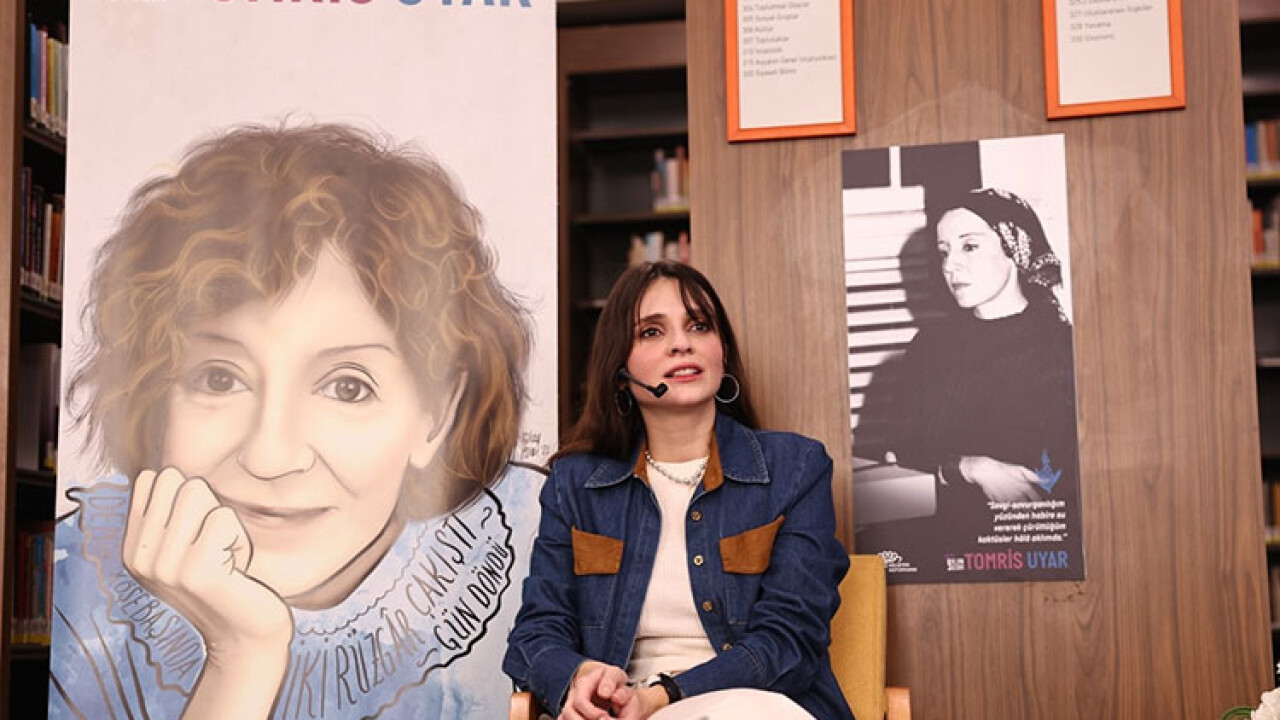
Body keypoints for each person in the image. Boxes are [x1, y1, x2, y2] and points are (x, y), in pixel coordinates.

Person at [50, 122, 542, 719]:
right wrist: (241, 655)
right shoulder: (79, 584)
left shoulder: (539, 538)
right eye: (219, 379)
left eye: (347, 387)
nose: (270, 456)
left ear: (436, 415)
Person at [503, 261, 854, 720]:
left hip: (758, 705)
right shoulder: (574, 485)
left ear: (722, 352)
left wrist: (658, 696)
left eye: (699, 326)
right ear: (620, 370)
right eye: (652, 332)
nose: (681, 343)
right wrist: (582, 677)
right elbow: (535, 634)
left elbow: (790, 640)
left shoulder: (796, 468)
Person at [860, 187, 1079, 545]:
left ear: (1015, 248)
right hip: (936, 538)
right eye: (943, 252)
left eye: (969, 246)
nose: (950, 265)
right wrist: (971, 467)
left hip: (1032, 543)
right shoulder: (929, 345)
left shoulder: (1064, 346)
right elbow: (898, 451)